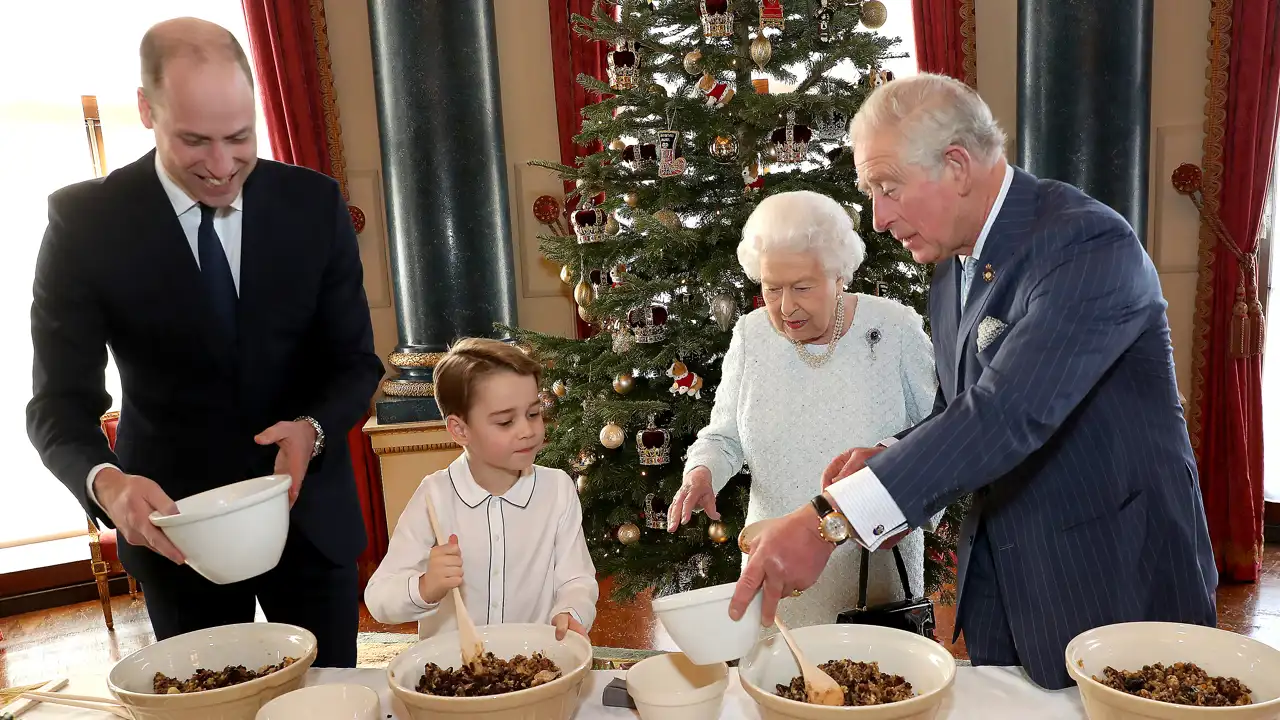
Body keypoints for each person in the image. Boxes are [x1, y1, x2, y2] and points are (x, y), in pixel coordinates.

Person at [728, 73, 1218, 690]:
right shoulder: (953, 262)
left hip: (1112, 575)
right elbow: (959, 410)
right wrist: (893, 454)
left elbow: (1004, 414)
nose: (877, 219)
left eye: (887, 188)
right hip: (1007, 584)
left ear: (956, 166)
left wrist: (832, 519)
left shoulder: (1087, 245)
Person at [26, 18, 383, 667]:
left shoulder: (314, 205)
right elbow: (55, 406)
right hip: (175, 537)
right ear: (146, 109)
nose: (222, 168)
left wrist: (313, 429)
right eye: (195, 141)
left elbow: (355, 362)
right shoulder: (85, 225)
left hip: (310, 526)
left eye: (239, 138)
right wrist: (108, 486)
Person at [667, 190, 938, 629]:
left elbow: (939, 436)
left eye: (803, 288)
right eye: (772, 288)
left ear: (839, 275)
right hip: (775, 565)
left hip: (872, 572)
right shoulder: (752, 336)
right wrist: (703, 472)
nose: (786, 306)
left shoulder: (894, 329)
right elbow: (724, 436)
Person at [365, 338, 599, 640]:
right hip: (454, 675)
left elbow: (577, 578)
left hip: (533, 664)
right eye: (505, 422)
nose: (528, 431)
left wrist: (571, 611)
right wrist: (426, 586)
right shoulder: (433, 496)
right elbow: (379, 598)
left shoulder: (557, 490)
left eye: (533, 413)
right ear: (460, 430)